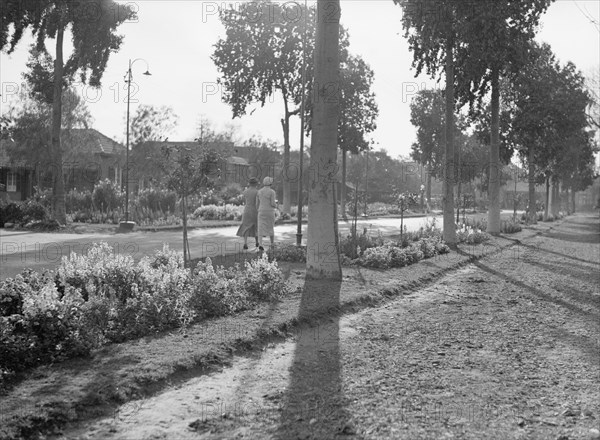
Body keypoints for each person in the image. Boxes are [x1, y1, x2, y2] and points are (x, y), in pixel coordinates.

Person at [236, 177, 260, 250]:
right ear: (256, 184)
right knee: (256, 226)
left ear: (249, 184)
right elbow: (258, 202)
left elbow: (243, 201)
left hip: (247, 210)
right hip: (255, 210)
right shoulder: (257, 192)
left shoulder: (245, 191)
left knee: (246, 226)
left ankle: (245, 243)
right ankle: (257, 242)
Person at [256, 176, 277, 251]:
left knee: (260, 227)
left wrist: (258, 210)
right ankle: (272, 244)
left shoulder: (259, 192)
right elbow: (272, 203)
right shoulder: (272, 192)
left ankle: (260, 244)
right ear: (270, 183)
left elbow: (257, 204)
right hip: (270, 211)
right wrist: (276, 205)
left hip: (261, 211)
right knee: (271, 227)